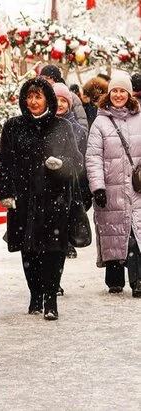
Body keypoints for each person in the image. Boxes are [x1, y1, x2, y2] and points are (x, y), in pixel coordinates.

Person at [0, 78, 83, 321]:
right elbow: (3, 162)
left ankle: (51, 298)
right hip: (23, 199)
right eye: (29, 97)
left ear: (48, 100)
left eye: (38, 97)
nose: (32, 102)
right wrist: (5, 193)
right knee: (29, 249)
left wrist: (62, 164)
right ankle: (35, 295)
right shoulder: (13, 127)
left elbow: (76, 161)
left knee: (54, 250)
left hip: (54, 199)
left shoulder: (62, 127)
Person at [85, 75, 141, 298]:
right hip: (111, 188)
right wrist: (98, 187)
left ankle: (138, 281)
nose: (118, 95)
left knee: (136, 233)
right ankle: (115, 279)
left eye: (123, 91)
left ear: (129, 94)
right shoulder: (100, 122)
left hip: (137, 188)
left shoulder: (139, 118)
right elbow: (93, 157)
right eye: (115, 91)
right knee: (113, 232)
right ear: (109, 94)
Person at [54, 82, 90, 262]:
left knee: (69, 213)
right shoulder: (44, 125)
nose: (60, 104)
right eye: (56, 100)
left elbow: (82, 157)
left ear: (69, 104)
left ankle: (67, 240)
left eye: (63, 101)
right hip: (49, 183)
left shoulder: (77, 129)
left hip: (71, 181)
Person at [40, 65, 89, 129]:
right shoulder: (40, 97)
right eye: (41, 78)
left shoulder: (72, 97)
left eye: (47, 78)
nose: (43, 81)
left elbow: (83, 125)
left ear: (55, 79)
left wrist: (70, 134)